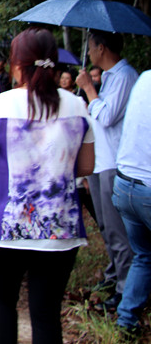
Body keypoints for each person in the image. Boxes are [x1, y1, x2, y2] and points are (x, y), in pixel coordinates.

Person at [0, 27, 95, 344]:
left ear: (15, 65)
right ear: (54, 63)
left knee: (2, 302)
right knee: (46, 312)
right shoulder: (78, 106)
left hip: (7, 228)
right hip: (59, 229)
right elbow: (85, 166)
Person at [76, 31, 138, 310]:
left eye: (90, 48)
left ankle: (126, 291)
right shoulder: (111, 77)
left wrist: (90, 89)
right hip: (100, 161)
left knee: (117, 230)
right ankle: (114, 275)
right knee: (105, 225)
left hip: (114, 162)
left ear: (101, 48)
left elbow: (108, 115)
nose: (88, 53)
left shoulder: (124, 76)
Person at [111, 70, 151, 336]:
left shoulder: (144, 77)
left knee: (144, 254)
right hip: (147, 187)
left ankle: (126, 321)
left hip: (124, 183)